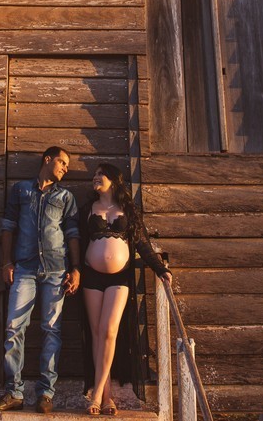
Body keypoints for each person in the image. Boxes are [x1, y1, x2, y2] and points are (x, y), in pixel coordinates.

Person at [0, 146, 81, 415]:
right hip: (24, 269)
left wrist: (76, 269)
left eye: (67, 165)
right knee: (14, 327)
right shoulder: (21, 190)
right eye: (62, 162)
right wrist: (6, 262)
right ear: (47, 160)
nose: (65, 168)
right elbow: (8, 227)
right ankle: (14, 392)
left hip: (56, 270)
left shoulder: (66, 197)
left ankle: (45, 394)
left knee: (52, 330)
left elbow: (72, 234)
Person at [80, 163, 171, 416]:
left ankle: (95, 393)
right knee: (97, 334)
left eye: (101, 174)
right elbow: (76, 240)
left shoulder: (128, 210)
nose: (95, 178)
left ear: (114, 180)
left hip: (119, 278)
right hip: (91, 277)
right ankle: (106, 397)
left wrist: (161, 269)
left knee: (110, 331)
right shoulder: (87, 208)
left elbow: (142, 244)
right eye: (95, 175)